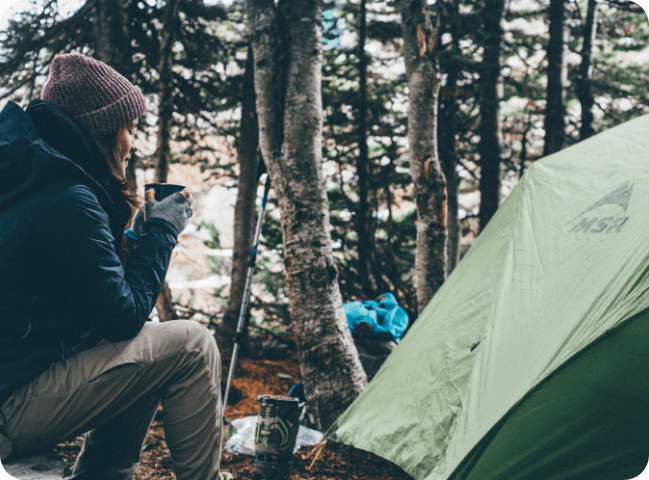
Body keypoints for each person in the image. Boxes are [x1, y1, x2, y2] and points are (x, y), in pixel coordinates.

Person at [0, 54, 232, 480]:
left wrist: (132, 241)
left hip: (12, 382)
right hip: (10, 410)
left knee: (150, 346)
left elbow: (92, 295)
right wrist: (162, 231)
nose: (133, 143)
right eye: (129, 129)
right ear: (102, 130)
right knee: (191, 344)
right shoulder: (68, 197)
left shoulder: (32, 178)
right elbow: (121, 318)